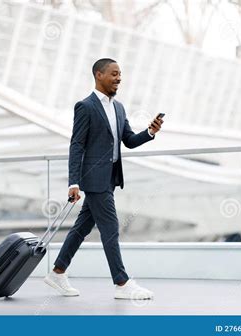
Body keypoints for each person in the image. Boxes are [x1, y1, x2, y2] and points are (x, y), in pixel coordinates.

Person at [44, 58, 164, 300]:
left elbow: (128, 140)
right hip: (93, 179)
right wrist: (73, 182)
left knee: (81, 228)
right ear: (99, 75)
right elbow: (76, 145)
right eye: (114, 73)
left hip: (109, 178)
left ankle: (57, 272)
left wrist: (150, 132)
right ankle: (122, 283)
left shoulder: (119, 107)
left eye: (120, 74)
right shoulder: (85, 106)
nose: (119, 78)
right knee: (110, 229)